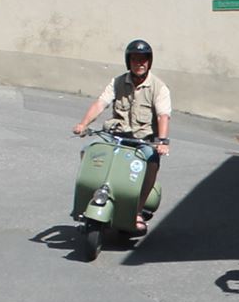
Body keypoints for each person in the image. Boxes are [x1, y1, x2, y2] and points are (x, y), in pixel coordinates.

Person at [73, 38, 170, 233]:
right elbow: (100, 103)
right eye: (135, 59)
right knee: (89, 151)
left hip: (142, 140)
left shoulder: (159, 87)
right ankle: (91, 198)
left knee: (152, 162)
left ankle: (137, 210)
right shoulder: (117, 82)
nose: (139, 63)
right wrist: (83, 124)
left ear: (149, 61)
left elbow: (163, 115)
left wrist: (162, 141)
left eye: (143, 59)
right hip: (115, 135)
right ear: (128, 61)